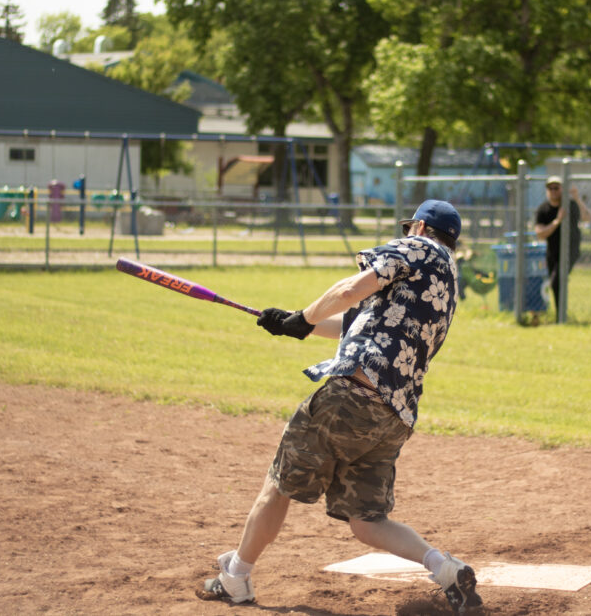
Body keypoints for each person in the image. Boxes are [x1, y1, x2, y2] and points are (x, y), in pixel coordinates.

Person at [199, 199, 482, 615]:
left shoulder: (419, 248)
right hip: (392, 416)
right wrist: (295, 324)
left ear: (420, 227)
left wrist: (304, 315)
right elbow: (355, 324)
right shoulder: (442, 282)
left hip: (349, 399)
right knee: (367, 521)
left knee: (278, 487)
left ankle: (235, 577)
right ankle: (444, 569)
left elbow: (350, 290)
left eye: (410, 228)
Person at [534, 175, 591, 321]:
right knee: (555, 282)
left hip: (570, 250)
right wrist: (557, 221)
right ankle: (560, 314)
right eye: (550, 188)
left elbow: (587, 217)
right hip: (553, 252)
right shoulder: (543, 209)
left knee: (557, 280)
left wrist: (577, 198)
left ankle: (561, 317)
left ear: (562, 189)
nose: (553, 191)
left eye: (556, 188)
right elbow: (540, 233)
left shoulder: (571, 205)